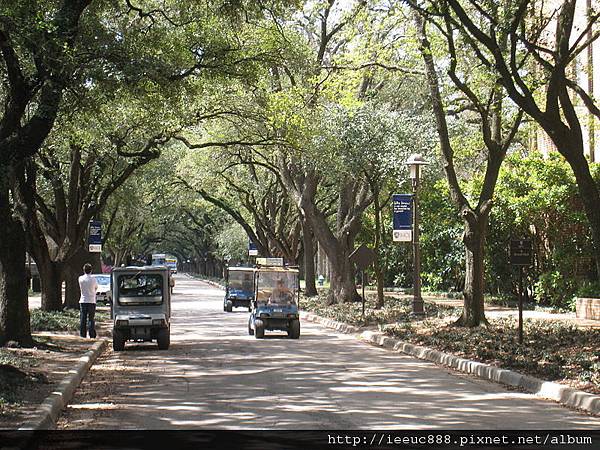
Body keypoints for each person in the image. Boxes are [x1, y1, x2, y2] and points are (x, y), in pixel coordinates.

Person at [78, 263, 98, 338]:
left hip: (83, 300)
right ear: (91, 270)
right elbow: (96, 287)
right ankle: (92, 334)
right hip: (91, 300)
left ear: (83, 270)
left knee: (83, 318)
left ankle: (82, 334)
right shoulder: (93, 278)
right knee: (91, 318)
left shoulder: (80, 278)